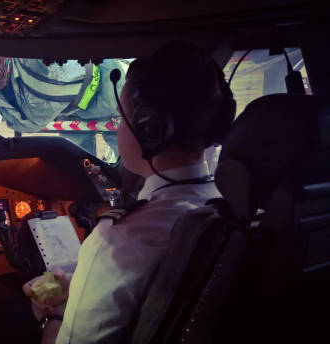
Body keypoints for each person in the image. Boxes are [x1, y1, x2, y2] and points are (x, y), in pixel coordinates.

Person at [22, 40, 236, 343]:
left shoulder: (119, 242)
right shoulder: (227, 206)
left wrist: (52, 316)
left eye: (123, 117)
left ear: (148, 129)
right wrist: (82, 284)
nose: (119, 127)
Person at [0, 56, 127, 156]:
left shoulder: (32, 54)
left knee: (133, 168)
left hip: (108, 90)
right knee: (82, 175)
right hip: (71, 116)